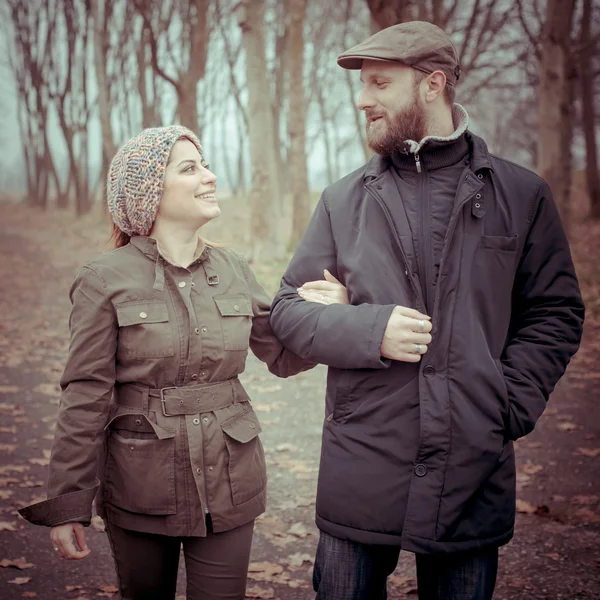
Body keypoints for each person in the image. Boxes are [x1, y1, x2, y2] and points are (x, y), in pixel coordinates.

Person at [270, 21, 585, 600]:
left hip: (472, 458)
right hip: (361, 457)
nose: (363, 99)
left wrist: (506, 401)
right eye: (361, 86)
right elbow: (287, 312)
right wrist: (370, 328)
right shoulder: (343, 200)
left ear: (432, 84)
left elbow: (556, 312)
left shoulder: (521, 195)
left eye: (379, 84)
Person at [18, 125, 347, 600]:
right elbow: (85, 395)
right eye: (190, 168)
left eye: (206, 164)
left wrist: (329, 313)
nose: (209, 176)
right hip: (140, 483)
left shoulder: (232, 267)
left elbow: (283, 352)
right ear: (150, 190)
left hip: (231, 478)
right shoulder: (103, 279)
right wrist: (69, 503)